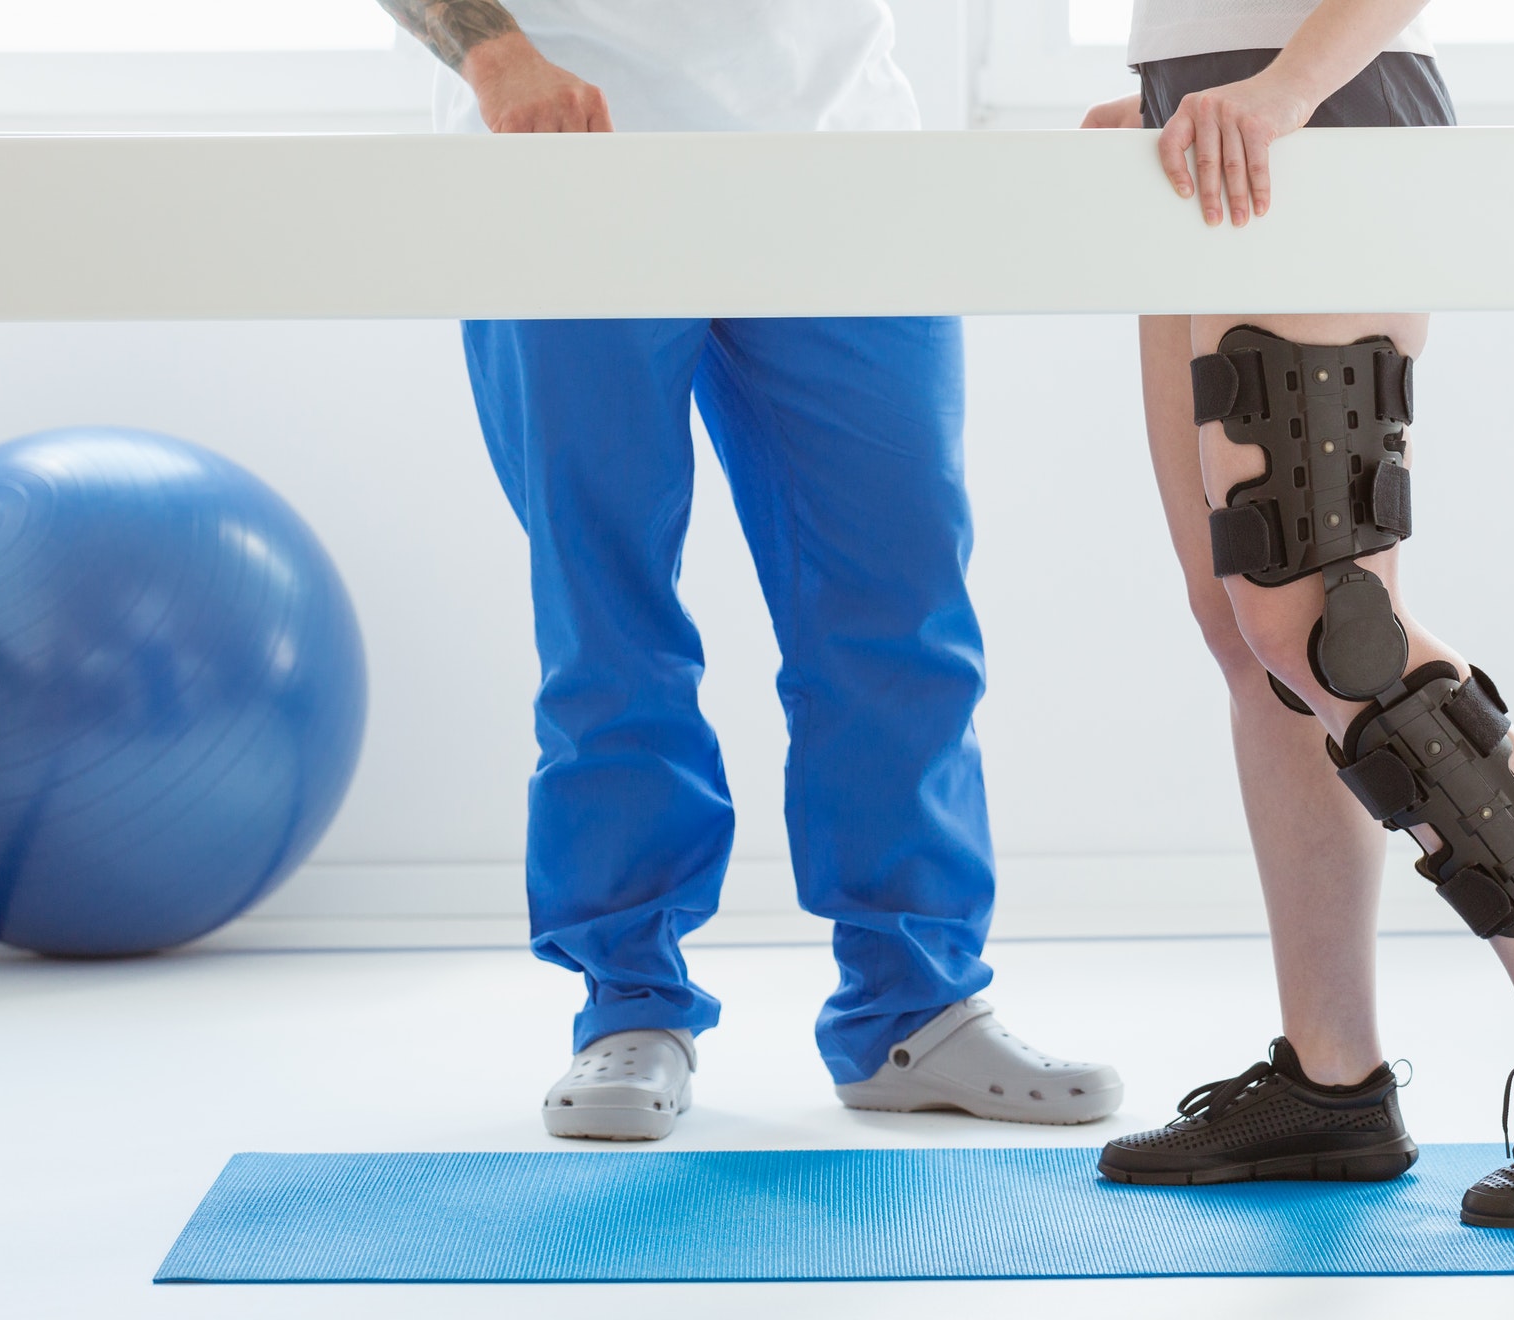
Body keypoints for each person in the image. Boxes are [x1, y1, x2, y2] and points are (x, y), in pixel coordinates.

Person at [377, 0, 1122, 1141]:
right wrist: (494, 52)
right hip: (565, 163)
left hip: (838, 162)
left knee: (902, 607)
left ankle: (910, 1008)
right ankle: (628, 1002)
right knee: (607, 615)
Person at [1078, 0, 1514, 1228]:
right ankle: (1331, 1083)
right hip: (1212, 122)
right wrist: (1166, 80)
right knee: (1251, 638)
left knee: (1329, 625)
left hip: (1312, 117)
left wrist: (1288, 80)